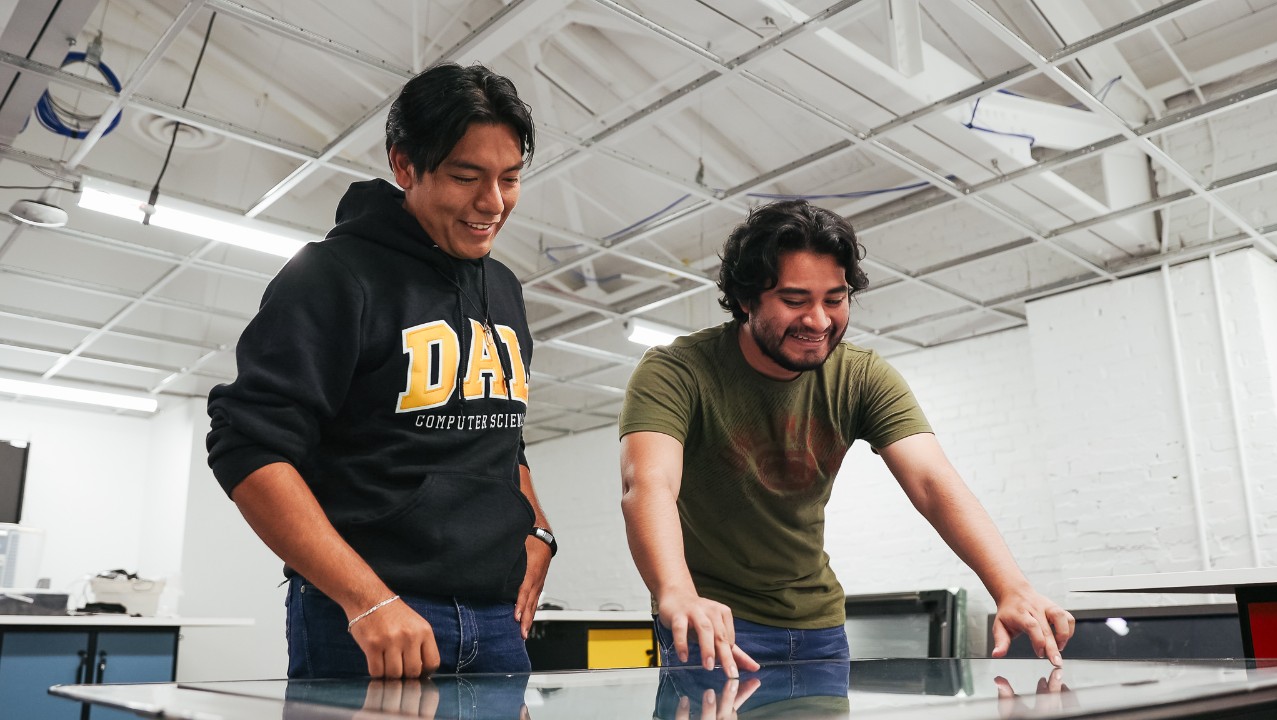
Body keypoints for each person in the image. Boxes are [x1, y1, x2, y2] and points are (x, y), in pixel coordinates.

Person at [618, 199, 1074, 678]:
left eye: (834, 300)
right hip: (713, 622)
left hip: (820, 625)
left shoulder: (862, 376)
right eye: (795, 301)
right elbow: (648, 485)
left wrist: (1010, 586)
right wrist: (676, 592)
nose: (818, 321)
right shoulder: (676, 371)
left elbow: (932, 482)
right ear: (747, 298)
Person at [206, 62, 555, 679]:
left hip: (498, 621)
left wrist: (539, 531)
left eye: (510, 178)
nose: (492, 203)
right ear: (404, 165)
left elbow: (503, 437)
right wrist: (366, 599)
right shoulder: (333, 276)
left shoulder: (504, 289)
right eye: (466, 176)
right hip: (375, 621)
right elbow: (247, 446)